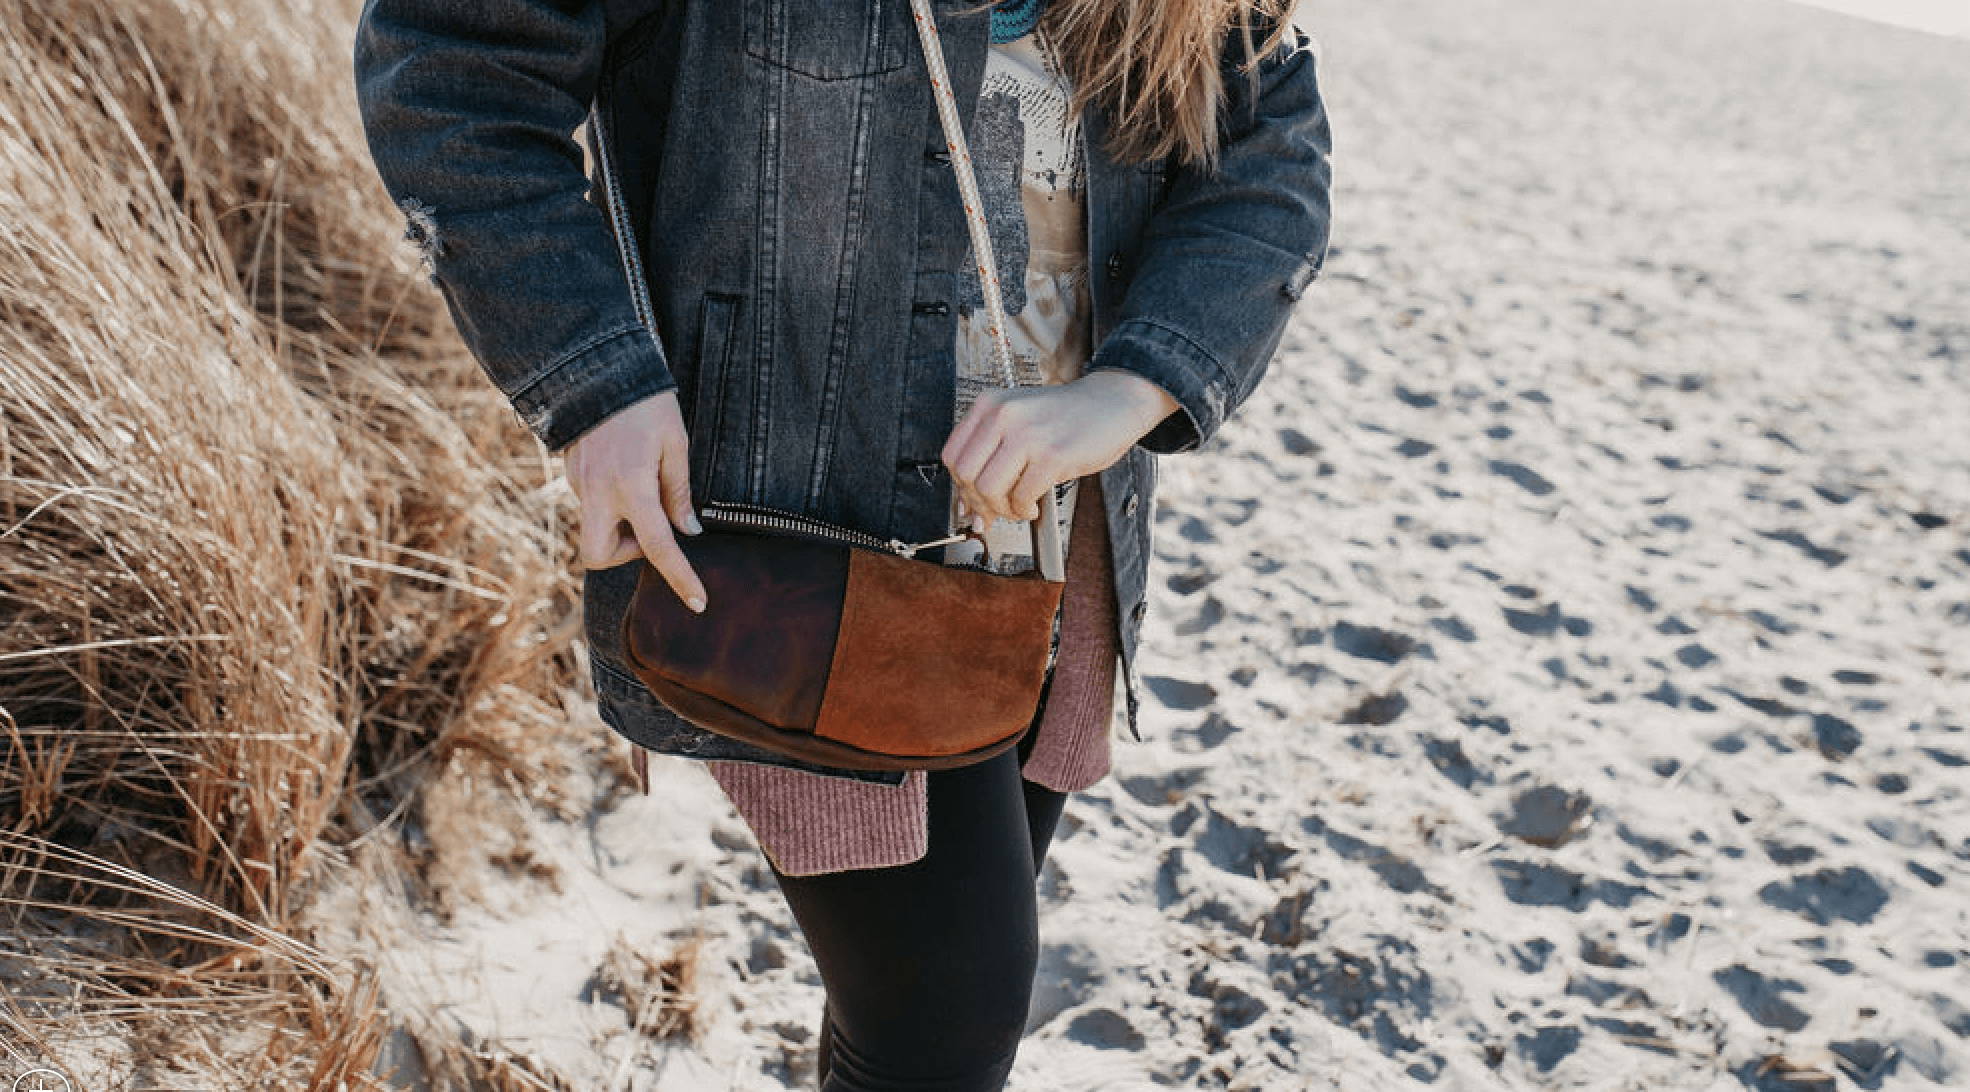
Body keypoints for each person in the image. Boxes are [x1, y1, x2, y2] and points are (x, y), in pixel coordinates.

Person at [352, 0, 1331, 1085]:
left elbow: (1267, 155)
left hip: (1060, 549)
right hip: (806, 544)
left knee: (904, 1014)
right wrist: (591, 379)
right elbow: (452, 68)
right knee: (944, 1021)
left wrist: (1132, 388)